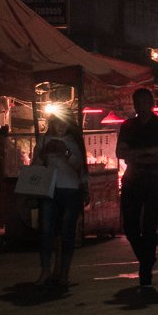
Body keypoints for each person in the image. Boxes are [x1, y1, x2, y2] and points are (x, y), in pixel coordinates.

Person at [116, 87, 158, 294]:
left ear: (151, 103)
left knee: (148, 226)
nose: (142, 106)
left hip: (152, 178)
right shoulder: (128, 126)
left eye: (145, 101)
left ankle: (145, 273)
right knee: (130, 226)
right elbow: (120, 153)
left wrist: (135, 154)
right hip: (131, 179)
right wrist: (149, 152)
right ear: (135, 104)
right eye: (138, 102)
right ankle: (147, 258)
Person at [34, 111, 88, 288]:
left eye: (64, 122)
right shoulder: (44, 140)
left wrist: (65, 152)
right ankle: (46, 270)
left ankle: (64, 272)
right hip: (49, 190)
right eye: (57, 122)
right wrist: (43, 154)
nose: (60, 126)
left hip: (70, 190)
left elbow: (80, 166)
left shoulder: (74, 141)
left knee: (67, 232)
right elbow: (35, 166)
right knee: (47, 231)